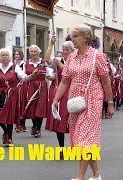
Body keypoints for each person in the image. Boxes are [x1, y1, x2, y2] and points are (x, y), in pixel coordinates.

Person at [52, 24, 114, 180]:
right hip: (75, 102)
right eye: (72, 37)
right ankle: (96, 175)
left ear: (85, 38)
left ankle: (80, 177)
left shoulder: (97, 56)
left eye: (76, 37)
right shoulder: (71, 57)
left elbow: (106, 81)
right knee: (82, 138)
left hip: (93, 99)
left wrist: (111, 103)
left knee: (84, 139)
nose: (73, 40)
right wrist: (56, 99)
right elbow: (65, 81)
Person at [0, 48, 37, 145]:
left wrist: (32, 75)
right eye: (3, 55)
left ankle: (9, 137)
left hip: (11, 94)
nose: (5, 57)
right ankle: (5, 131)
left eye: (7, 55)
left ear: (9, 57)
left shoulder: (14, 67)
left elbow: (24, 77)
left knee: (9, 116)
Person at [44, 35, 75, 159]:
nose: (65, 51)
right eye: (64, 49)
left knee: (73, 121)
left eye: (68, 49)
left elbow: (71, 74)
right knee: (59, 121)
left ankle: (75, 147)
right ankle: (62, 148)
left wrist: (60, 66)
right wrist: (51, 44)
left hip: (72, 92)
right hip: (60, 93)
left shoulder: (76, 61)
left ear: (73, 51)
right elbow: (46, 59)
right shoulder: (59, 60)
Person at [21, 45, 53, 138]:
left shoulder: (44, 63)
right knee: (32, 107)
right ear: (29, 53)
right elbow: (23, 76)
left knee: (40, 107)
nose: (33, 53)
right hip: (30, 86)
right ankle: (34, 125)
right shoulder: (25, 64)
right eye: (32, 51)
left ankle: (38, 128)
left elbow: (49, 75)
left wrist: (55, 77)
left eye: (35, 51)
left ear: (39, 52)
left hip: (41, 86)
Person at [13, 49, 28, 133]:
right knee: (16, 105)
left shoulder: (24, 64)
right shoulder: (13, 64)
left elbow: (25, 75)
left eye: (18, 54)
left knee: (22, 104)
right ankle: (17, 123)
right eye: (15, 54)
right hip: (15, 86)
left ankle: (22, 124)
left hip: (22, 85)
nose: (16, 56)